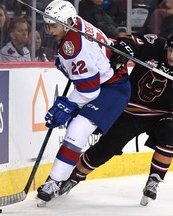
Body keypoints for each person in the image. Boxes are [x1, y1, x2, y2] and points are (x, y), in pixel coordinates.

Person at [60, 31, 173, 206]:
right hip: (131, 110)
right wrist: (124, 51)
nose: (172, 55)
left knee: (172, 132)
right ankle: (73, 177)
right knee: (105, 149)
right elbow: (126, 39)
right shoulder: (154, 44)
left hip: (163, 114)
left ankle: (154, 180)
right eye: (170, 50)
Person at [36, 0, 131, 203]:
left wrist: (67, 104)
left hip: (113, 88)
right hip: (108, 79)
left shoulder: (73, 49)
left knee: (78, 127)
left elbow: (89, 91)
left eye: (54, 25)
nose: (49, 30)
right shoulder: (76, 23)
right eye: (47, 25)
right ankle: (59, 178)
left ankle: (54, 181)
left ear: (69, 21)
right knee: (75, 128)